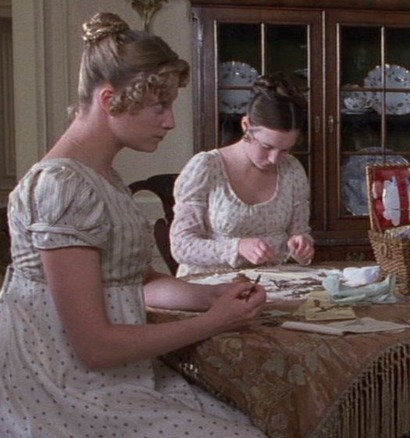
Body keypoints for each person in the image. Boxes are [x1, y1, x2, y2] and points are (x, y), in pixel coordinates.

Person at [0, 12, 267, 437]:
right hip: (66, 388)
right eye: (160, 106)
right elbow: (94, 347)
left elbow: (135, 282)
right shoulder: (61, 186)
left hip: (118, 376)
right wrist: (213, 321)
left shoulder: (101, 178)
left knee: (249, 415)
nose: (170, 122)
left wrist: (212, 295)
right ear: (110, 101)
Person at [170, 73, 314, 277]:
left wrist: (302, 245)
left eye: (285, 150)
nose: (274, 159)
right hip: (210, 287)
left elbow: (299, 234)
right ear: (246, 125)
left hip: (273, 284)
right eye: (266, 147)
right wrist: (236, 248)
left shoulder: (292, 170)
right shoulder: (207, 167)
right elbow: (181, 246)